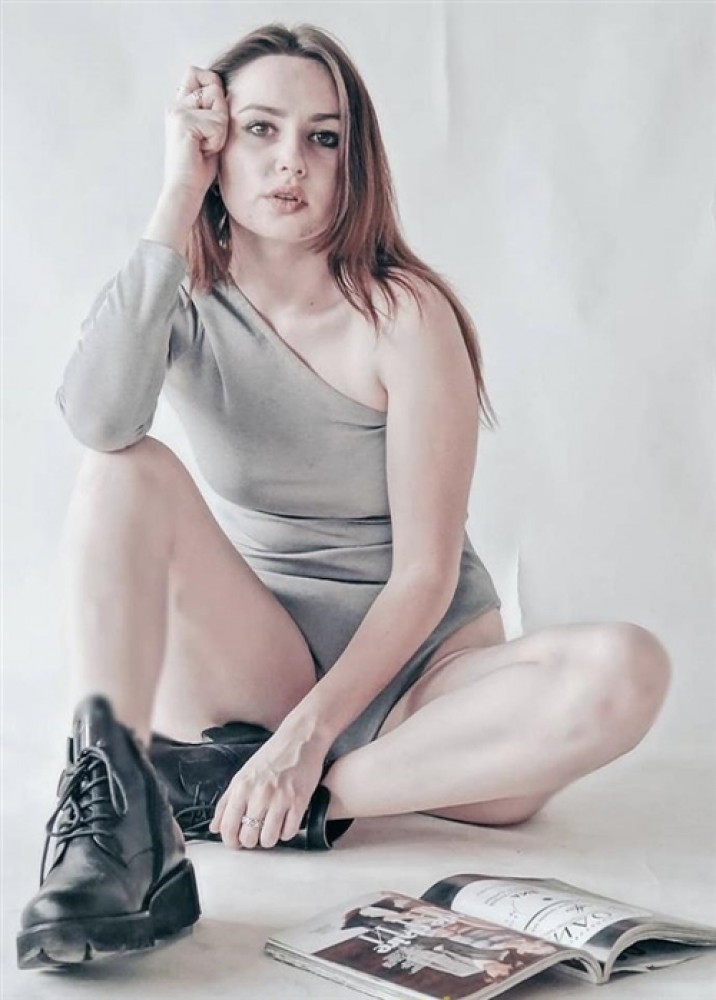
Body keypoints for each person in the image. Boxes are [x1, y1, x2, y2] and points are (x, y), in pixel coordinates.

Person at [17, 21, 671, 970]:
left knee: (630, 667)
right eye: (261, 129)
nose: (292, 161)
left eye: (323, 138)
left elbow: (424, 576)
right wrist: (174, 197)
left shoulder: (402, 312)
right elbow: (98, 419)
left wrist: (304, 748)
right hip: (262, 663)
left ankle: (266, 794)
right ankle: (114, 809)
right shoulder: (184, 300)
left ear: (352, 162)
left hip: (427, 701)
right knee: (125, 467)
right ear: (214, 146)